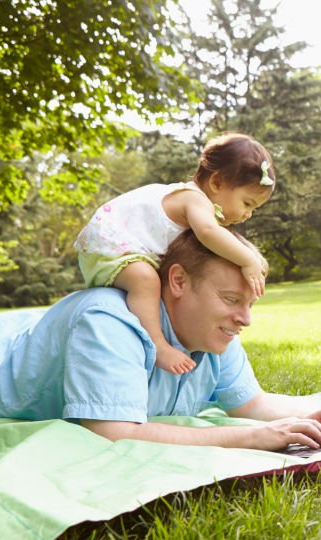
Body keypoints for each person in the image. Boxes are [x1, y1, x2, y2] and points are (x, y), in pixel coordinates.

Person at [0, 231, 321, 452]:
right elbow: (112, 432)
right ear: (178, 281)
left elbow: (251, 404)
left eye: (249, 304)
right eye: (230, 299)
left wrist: (316, 412)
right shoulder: (111, 321)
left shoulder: (214, 333)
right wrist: (253, 439)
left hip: (26, 341)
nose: (245, 319)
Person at [73, 132, 273, 375]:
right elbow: (209, 233)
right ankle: (157, 345)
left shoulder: (193, 200)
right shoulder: (194, 200)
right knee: (145, 281)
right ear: (217, 182)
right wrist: (248, 259)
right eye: (247, 203)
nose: (248, 214)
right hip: (110, 245)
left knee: (153, 281)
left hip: (124, 246)